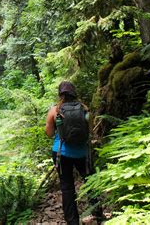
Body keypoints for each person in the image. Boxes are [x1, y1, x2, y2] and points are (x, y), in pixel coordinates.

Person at [45, 81, 100, 225]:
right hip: (82, 153)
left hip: (61, 153)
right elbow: (90, 130)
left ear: (60, 94)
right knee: (90, 181)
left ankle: (72, 221)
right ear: (74, 92)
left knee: (67, 187)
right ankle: (97, 213)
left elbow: (49, 133)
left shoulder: (55, 110)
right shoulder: (84, 108)